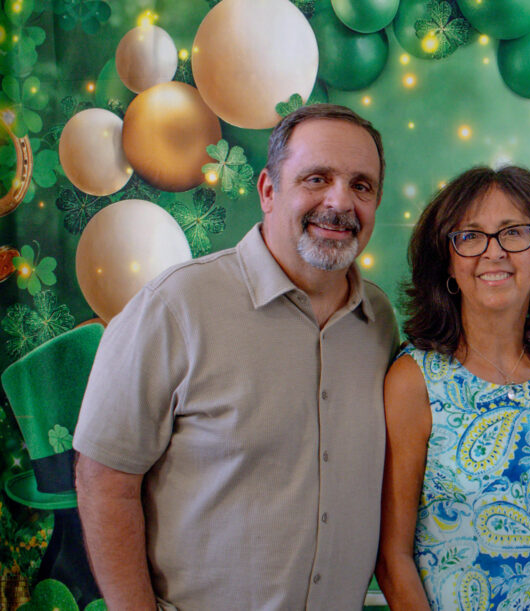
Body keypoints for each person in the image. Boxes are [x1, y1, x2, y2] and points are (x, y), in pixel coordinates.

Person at [73, 104, 399, 610]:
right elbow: (104, 481)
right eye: (317, 178)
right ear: (268, 190)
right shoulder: (174, 306)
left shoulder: (378, 321)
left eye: (362, 186)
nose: (340, 202)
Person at [375, 166, 530, 610]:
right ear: (447, 262)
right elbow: (393, 557)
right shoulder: (413, 380)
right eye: (470, 236)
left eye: (514, 232)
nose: (494, 251)